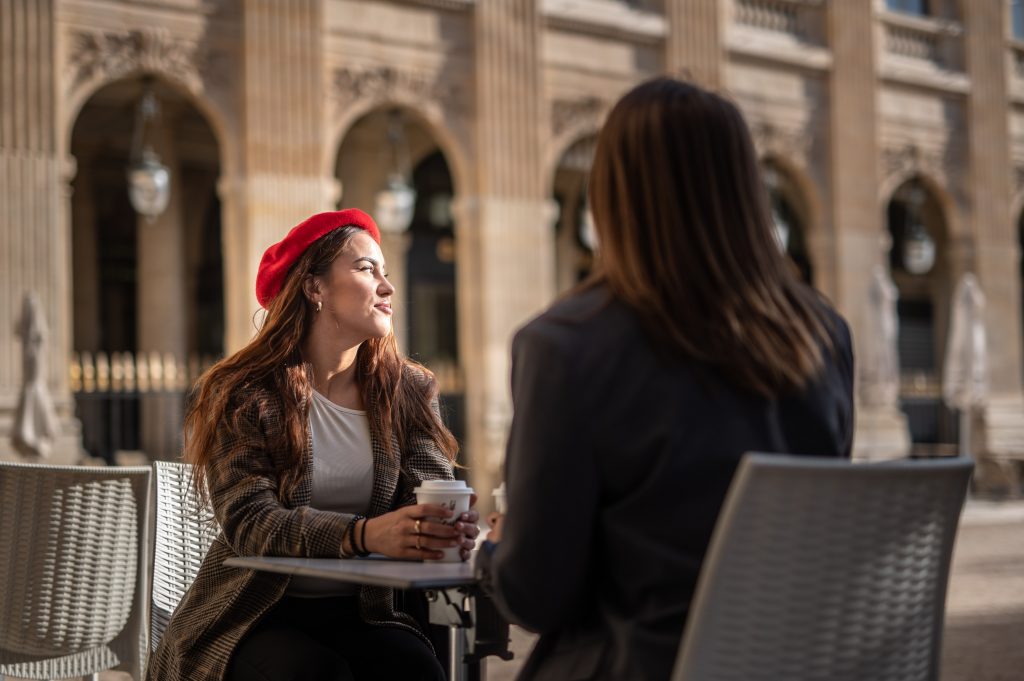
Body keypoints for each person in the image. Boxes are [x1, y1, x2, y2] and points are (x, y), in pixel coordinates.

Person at [476, 78, 854, 681]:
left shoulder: (566, 345)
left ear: (612, 192)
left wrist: (494, 552)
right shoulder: (824, 336)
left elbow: (536, 597)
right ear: (746, 191)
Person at [147, 209, 479, 681]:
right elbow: (252, 522)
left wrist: (438, 526)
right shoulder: (244, 392)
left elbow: (428, 489)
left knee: (417, 667)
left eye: (385, 271)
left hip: (367, 609)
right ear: (314, 287)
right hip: (256, 613)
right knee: (313, 674)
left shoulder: (408, 388)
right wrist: (363, 535)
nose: (387, 286)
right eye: (367, 269)